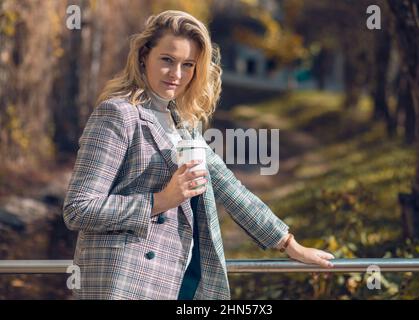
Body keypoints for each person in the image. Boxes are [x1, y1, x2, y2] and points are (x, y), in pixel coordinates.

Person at [63, 10, 334, 300]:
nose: (176, 74)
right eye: (167, 60)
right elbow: (78, 209)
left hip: (181, 279)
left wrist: (289, 244)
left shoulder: (183, 125)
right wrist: (160, 201)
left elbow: (231, 189)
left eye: (188, 64)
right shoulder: (118, 114)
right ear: (144, 56)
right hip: (124, 284)